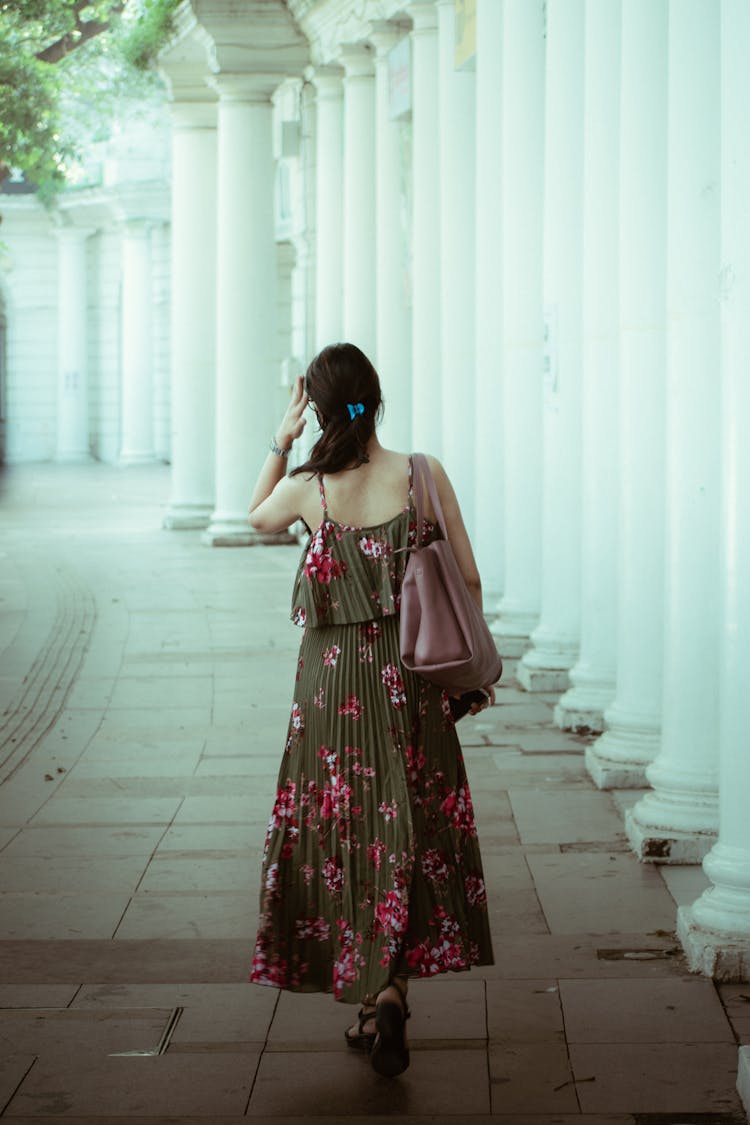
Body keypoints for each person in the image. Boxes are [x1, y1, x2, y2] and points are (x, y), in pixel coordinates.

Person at [247, 342, 496, 1078]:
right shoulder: (421, 474)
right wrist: (465, 672)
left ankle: (370, 987)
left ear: (321, 410)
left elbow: (254, 517)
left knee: (344, 826)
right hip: (411, 677)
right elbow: (470, 577)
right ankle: (392, 989)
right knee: (407, 822)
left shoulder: (309, 488)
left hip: (330, 688)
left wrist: (281, 437)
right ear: (377, 399)